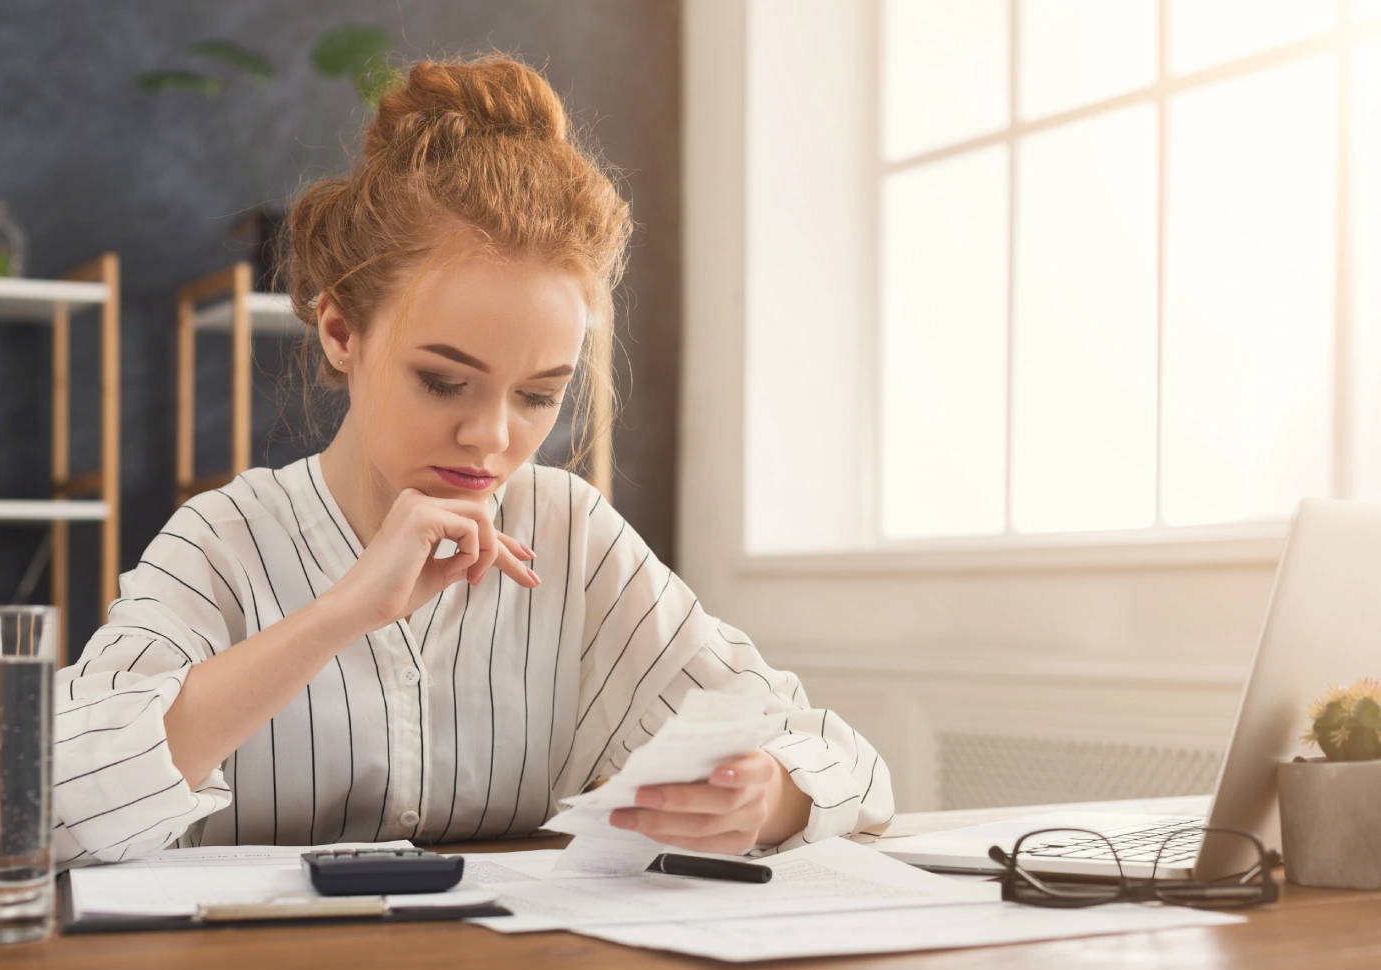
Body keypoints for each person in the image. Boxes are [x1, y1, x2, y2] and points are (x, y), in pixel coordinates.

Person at [52, 56, 892, 865]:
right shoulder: (223, 543)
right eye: (444, 381)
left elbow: (844, 761)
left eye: (536, 395)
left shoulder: (569, 533)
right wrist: (342, 612)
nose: (491, 439)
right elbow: (50, 805)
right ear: (341, 331)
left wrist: (767, 795)